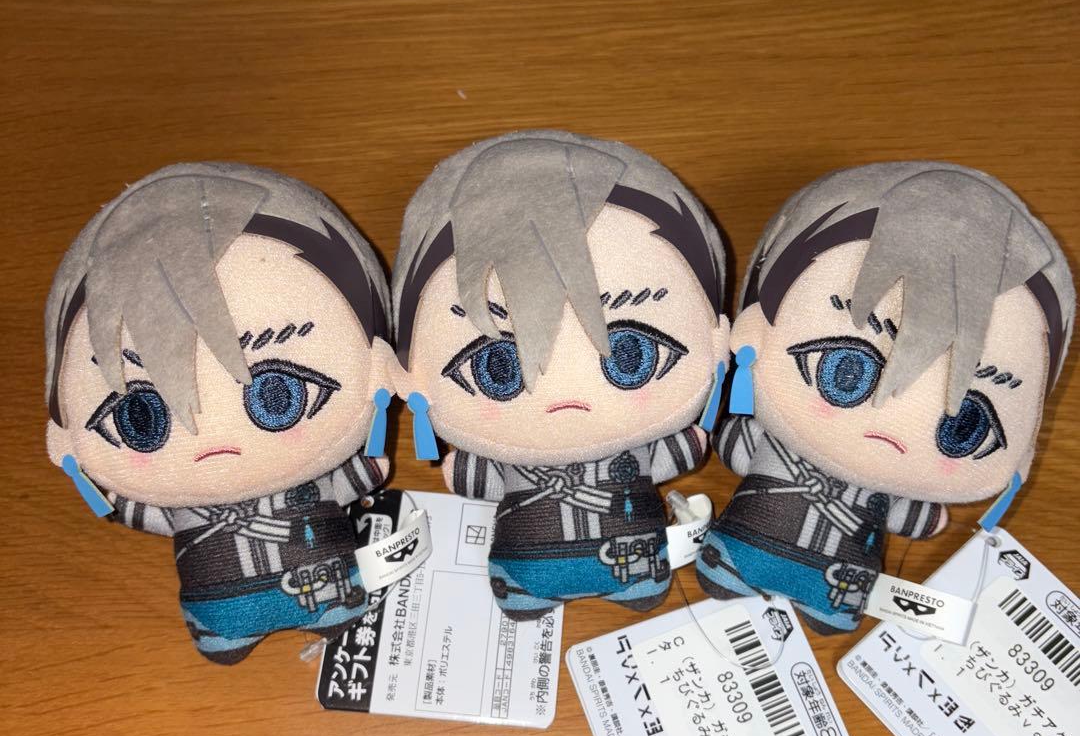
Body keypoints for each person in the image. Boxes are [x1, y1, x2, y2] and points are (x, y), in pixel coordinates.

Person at [697, 162, 1074, 633]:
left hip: (833, 578)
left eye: (963, 427)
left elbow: (733, 445)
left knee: (819, 604)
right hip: (781, 558)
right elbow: (917, 520)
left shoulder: (771, 442)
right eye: (845, 373)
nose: (891, 430)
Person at [45, 163, 393, 662]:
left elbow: (130, 512)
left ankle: (288, 619)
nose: (213, 441)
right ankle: (237, 629)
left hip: (322, 585)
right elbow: (364, 474)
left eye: (278, 396)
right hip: (242, 597)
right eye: (143, 419)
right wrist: (370, 470)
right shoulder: (191, 500)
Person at [391, 130, 728, 617]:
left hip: (629, 558)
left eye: (630, 356)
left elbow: (466, 476)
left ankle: (610, 586)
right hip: (566, 559)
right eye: (500, 369)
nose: (565, 396)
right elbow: (692, 448)